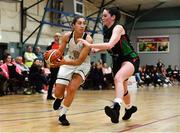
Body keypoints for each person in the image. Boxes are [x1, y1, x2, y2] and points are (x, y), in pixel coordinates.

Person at [79, 6, 140, 123]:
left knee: (118, 78)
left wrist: (90, 45)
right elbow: (111, 47)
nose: (102, 18)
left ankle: (116, 108)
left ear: (113, 17)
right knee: (124, 89)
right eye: (102, 15)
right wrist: (97, 50)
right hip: (117, 60)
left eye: (105, 15)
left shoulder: (118, 27)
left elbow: (110, 44)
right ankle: (129, 109)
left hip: (130, 58)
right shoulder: (106, 29)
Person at [52, 16, 93, 126]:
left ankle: (62, 115)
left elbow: (79, 61)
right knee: (57, 92)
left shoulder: (88, 39)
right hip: (68, 60)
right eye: (79, 23)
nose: (82, 25)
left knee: (71, 88)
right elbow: (60, 51)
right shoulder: (67, 36)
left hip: (82, 65)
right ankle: (59, 98)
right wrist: (51, 57)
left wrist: (62, 62)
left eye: (84, 23)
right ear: (73, 25)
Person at [46, 32, 61, 100]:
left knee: (59, 80)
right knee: (52, 80)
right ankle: (49, 95)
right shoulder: (50, 45)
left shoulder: (61, 45)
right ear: (54, 37)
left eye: (58, 36)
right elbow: (46, 56)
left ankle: (57, 94)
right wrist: (48, 64)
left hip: (60, 64)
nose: (57, 37)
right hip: (53, 65)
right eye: (56, 36)